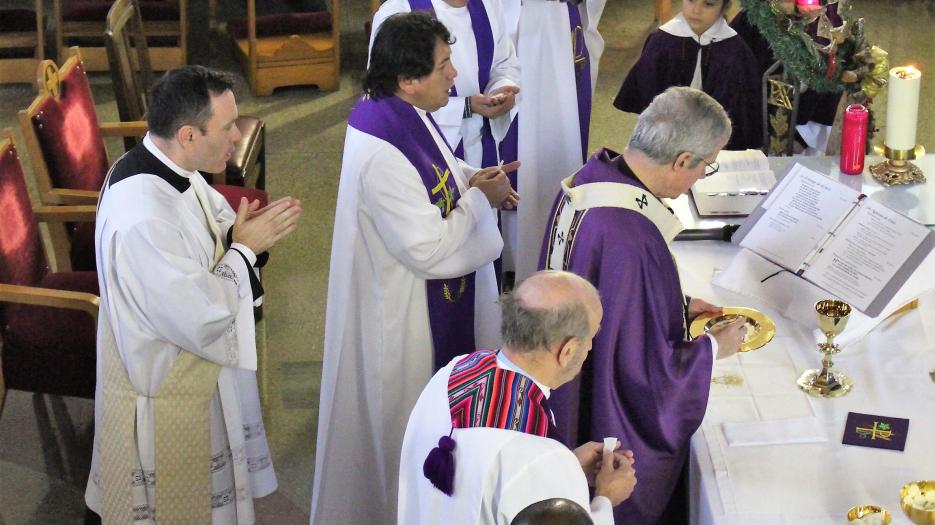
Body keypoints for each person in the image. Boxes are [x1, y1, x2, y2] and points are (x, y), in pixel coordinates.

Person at [311, 12, 518, 524]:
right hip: (403, 315)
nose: (455, 75)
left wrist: (475, 175)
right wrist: (479, 199)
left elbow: (440, 166)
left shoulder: (402, 110)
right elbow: (426, 249)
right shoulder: (379, 145)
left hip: (423, 301)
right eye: (445, 65)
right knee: (407, 428)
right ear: (407, 79)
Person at [85, 66, 303, 523]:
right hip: (168, 388)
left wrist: (239, 236)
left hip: (191, 373)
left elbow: (208, 224)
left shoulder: (171, 167)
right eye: (226, 128)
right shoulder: (143, 217)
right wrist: (245, 250)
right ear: (187, 134)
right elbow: (199, 313)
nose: (235, 136)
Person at [540, 87, 745, 524]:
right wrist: (711, 350)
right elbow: (644, 374)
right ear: (681, 161)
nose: (699, 177)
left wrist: (675, 304)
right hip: (597, 409)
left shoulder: (590, 180)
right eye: (705, 167)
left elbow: (610, 295)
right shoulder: (628, 235)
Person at [398, 271, 637, 525]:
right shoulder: (539, 455)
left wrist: (569, 467)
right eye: (591, 337)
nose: (590, 347)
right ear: (567, 351)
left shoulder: (452, 373)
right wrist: (605, 499)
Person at [503, 0, 605, 281]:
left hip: (561, 26)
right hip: (523, 26)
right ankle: (512, 256)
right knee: (520, 140)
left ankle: (558, 245)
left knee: (562, 132)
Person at [369, 0, 521, 171]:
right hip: (426, 150)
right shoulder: (399, 11)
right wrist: (465, 107)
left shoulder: (489, 4)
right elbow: (387, 95)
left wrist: (500, 89)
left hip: (484, 142)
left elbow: (504, 62)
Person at [613, 0, 763, 151]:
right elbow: (647, 97)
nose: (696, 10)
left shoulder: (735, 52)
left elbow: (738, 113)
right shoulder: (662, 41)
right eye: (691, 0)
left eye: (709, 4)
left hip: (715, 147)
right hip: (664, 142)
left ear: (724, 8)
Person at [731, 6, 843, 154]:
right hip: (751, 134)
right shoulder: (750, 18)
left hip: (800, 132)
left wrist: (802, 137)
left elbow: (831, 82)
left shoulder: (826, 22)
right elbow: (732, 76)